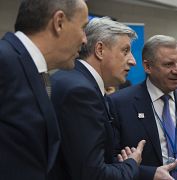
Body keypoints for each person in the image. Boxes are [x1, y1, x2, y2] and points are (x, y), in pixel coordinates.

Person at [50, 17, 147, 180]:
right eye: (125, 51)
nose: (133, 61)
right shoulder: (81, 92)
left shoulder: (70, 79)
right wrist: (131, 164)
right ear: (100, 50)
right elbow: (92, 174)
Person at [0, 0, 88, 179]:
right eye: (83, 27)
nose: (85, 39)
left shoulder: (33, 71)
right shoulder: (4, 61)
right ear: (59, 22)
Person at [109, 35, 177, 180]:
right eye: (169, 64)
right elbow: (110, 162)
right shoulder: (119, 103)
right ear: (148, 66)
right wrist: (149, 174)